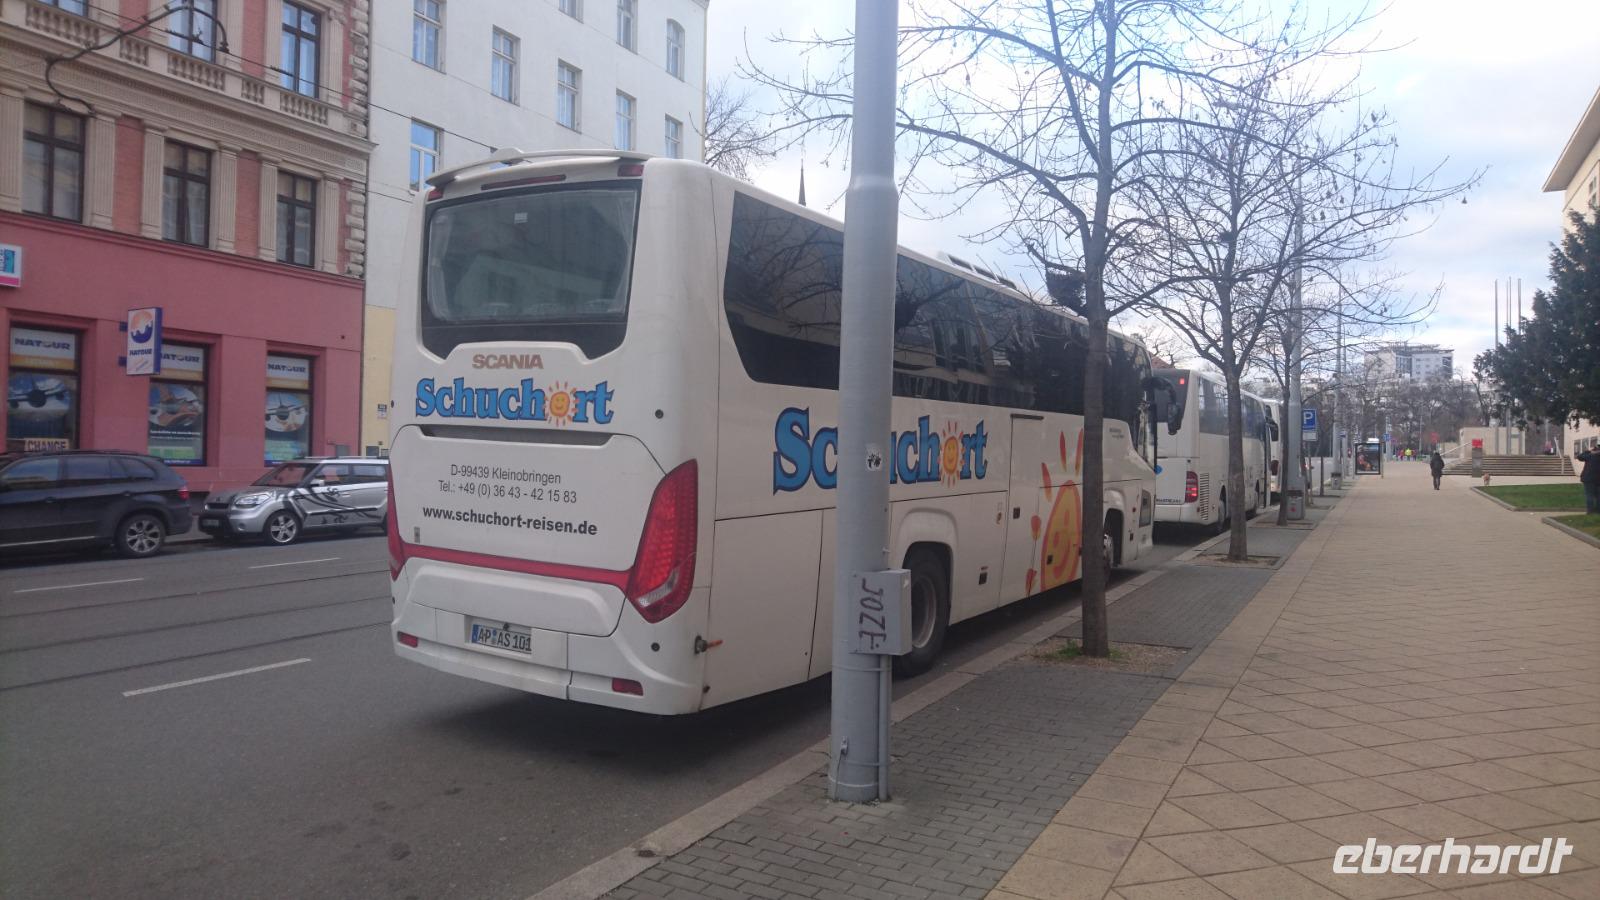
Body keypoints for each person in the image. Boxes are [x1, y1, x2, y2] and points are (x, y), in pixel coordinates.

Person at [1578, 445, 1600, 514]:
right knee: (1598, 496)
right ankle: (1598, 511)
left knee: (1589, 495)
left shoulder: (1590, 456)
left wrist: (1588, 451)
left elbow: (1579, 456)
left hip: (1588, 479)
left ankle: (1590, 511)